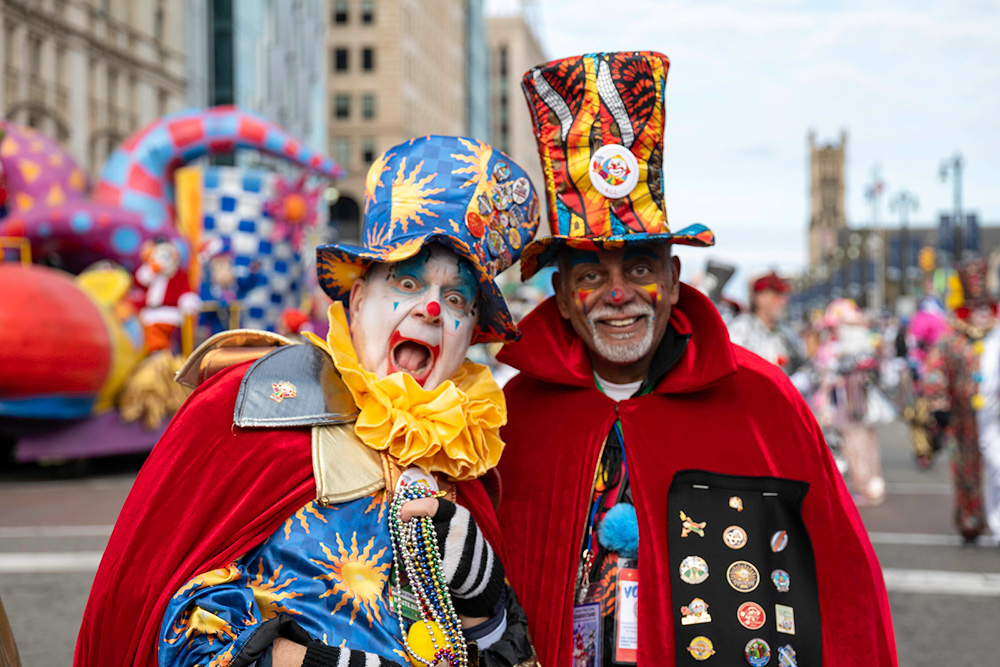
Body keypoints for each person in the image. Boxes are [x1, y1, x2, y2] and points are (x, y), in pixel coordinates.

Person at [75, 136, 541, 667]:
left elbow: (501, 656)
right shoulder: (254, 404)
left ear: (470, 334)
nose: (432, 308)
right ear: (359, 299)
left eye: (456, 298)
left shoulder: (467, 461)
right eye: (407, 281)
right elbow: (165, 616)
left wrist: (486, 611)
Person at [496, 51, 897, 667]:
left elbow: (843, 592)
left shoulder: (764, 402)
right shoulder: (508, 419)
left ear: (676, 279)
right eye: (590, 274)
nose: (618, 293)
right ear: (563, 300)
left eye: (638, 266)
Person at [922, 260, 995, 543]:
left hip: (995, 417)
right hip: (964, 418)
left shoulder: (997, 339)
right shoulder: (952, 340)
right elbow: (935, 370)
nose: (982, 314)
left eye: (986, 307)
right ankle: (971, 519)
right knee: (966, 470)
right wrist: (939, 404)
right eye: (976, 308)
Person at [810, 299, 888, 506]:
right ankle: (871, 483)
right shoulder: (864, 348)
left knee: (857, 444)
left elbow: (828, 376)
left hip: (852, 406)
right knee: (864, 442)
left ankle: (865, 485)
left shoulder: (846, 352)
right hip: (858, 405)